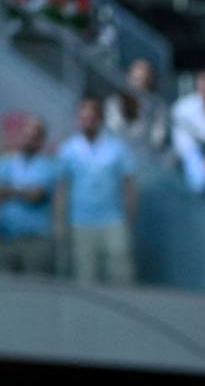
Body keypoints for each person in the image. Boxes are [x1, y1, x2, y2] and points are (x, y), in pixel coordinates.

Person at [55, 97, 137, 285]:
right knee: (85, 276)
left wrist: (129, 219)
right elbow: (62, 189)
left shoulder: (118, 148)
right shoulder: (68, 149)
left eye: (91, 118)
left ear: (100, 119)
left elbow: (129, 186)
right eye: (83, 118)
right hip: (81, 222)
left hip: (113, 220)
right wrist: (60, 223)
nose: (87, 122)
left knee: (121, 275)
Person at [0, 116, 58, 276]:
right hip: (6, 238)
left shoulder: (47, 165)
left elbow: (36, 195)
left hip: (35, 241)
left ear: (41, 141)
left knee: (36, 292)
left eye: (33, 137)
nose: (27, 140)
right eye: (25, 135)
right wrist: (22, 191)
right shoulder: (6, 163)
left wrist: (10, 190)